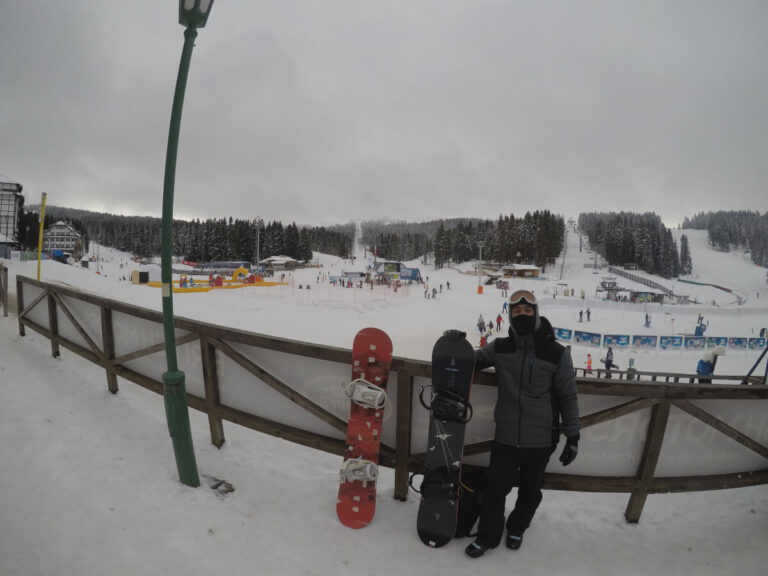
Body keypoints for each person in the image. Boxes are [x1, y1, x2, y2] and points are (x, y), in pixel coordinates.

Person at [460, 289, 580, 558]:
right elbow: (472, 362)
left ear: (536, 313)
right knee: (495, 490)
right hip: (505, 437)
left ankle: (517, 527)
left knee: (530, 491)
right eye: (517, 311)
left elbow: (568, 395)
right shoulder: (501, 347)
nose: (522, 315)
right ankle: (488, 536)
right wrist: (456, 345)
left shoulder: (556, 353)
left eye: (527, 311)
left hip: (540, 440)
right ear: (510, 316)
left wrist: (573, 436)